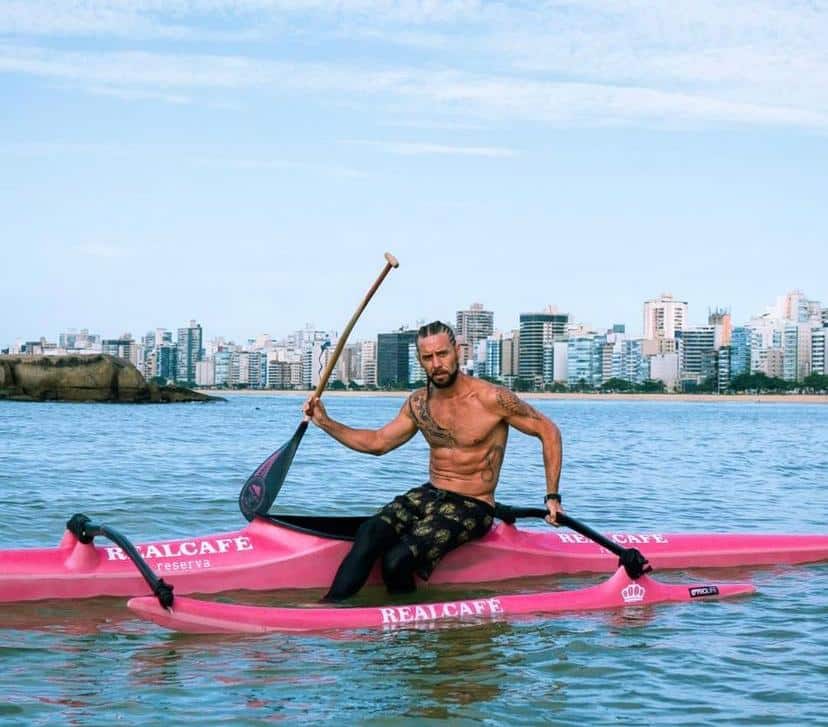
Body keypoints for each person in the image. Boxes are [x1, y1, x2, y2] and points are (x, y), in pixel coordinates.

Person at [303, 320, 563, 601]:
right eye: (428, 357)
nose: (436, 363)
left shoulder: (492, 398)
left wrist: (552, 496)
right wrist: (325, 422)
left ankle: (408, 628)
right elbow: (378, 443)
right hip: (431, 492)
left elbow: (548, 431)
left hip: (473, 505)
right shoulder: (419, 404)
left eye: (443, 354)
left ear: (458, 352)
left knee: (396, 560)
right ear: (420, 360)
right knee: (369, 533)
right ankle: (328, 611)